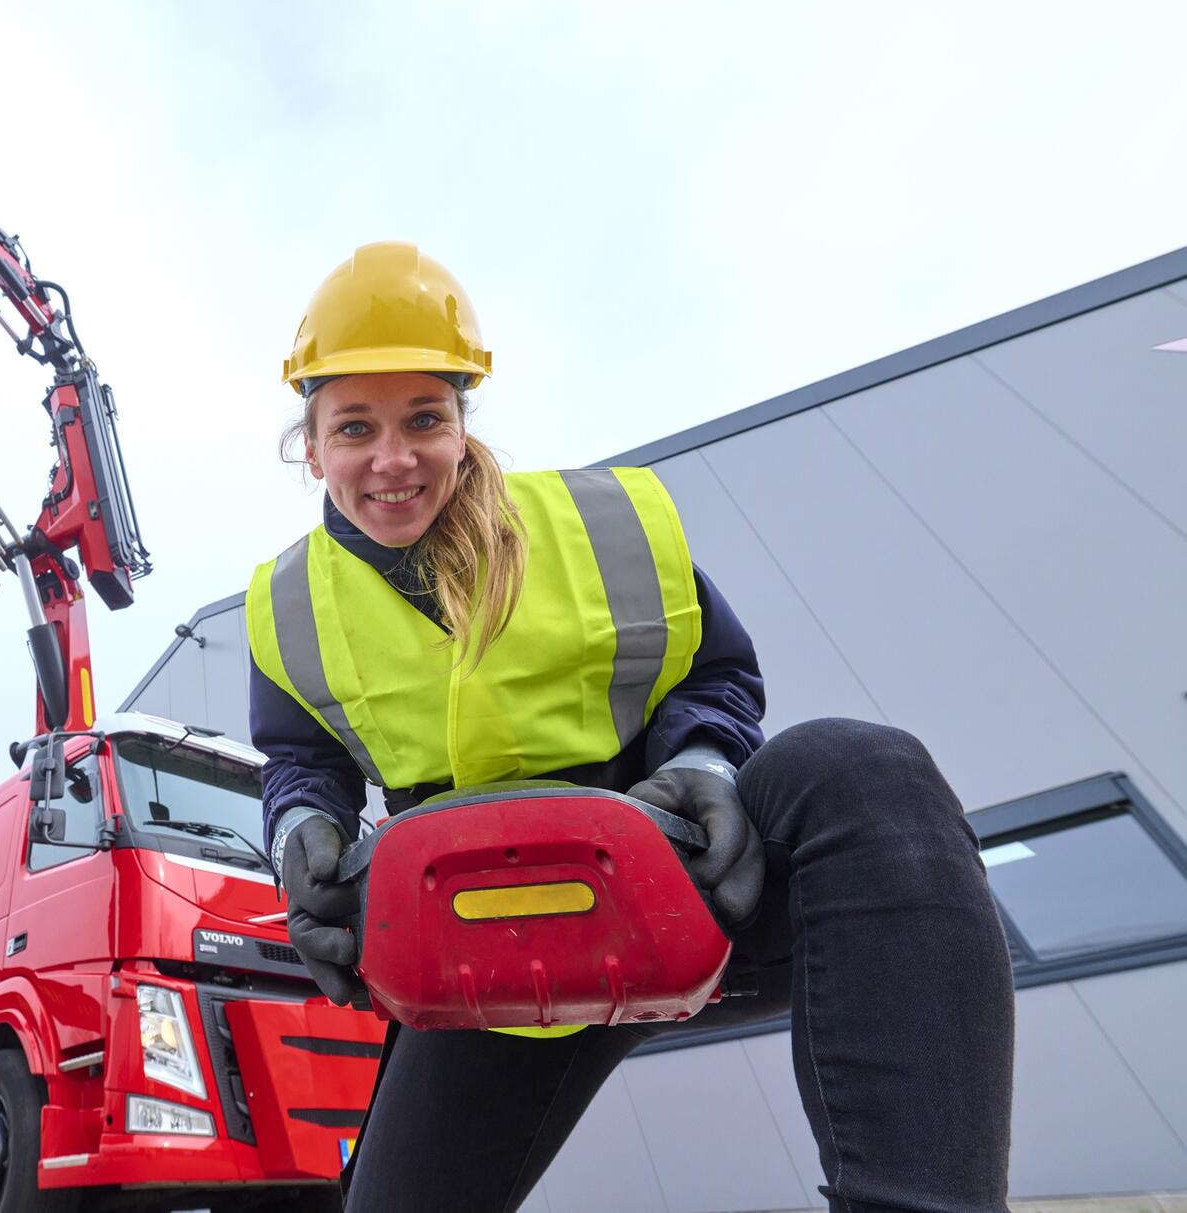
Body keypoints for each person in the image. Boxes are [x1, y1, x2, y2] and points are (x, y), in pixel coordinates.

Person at [246, 242, 1017, 1213]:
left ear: (461, 424)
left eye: (423, 419)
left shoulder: (601, 526)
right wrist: (298, 833)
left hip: (676, 888)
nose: (392, 458)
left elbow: (713, 674)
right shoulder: (285, 606)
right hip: (479, 948)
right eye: (354, 426)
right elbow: (300, 759)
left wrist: (702, 761)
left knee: (860, 770)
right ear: (310, 445)